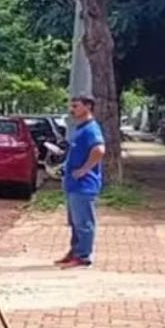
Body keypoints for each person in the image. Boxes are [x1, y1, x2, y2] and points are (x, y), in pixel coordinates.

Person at [57, 95, 106, 269]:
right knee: (75, 222)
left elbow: (99, 150)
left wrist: (85, 169)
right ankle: (75, 251)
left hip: (84, 185)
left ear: (87, 107)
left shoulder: (91, 129)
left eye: (76, 106)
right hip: (73, 185)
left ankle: (83, 256)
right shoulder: (80, 129)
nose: (72, 109)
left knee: (84, 222)